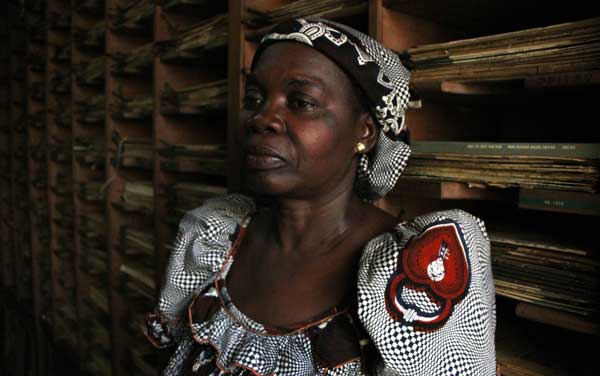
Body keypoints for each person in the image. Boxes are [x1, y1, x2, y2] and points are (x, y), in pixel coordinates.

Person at [145, 17, 497, 376]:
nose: (263, 118)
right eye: (254, 98)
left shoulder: (412, 271)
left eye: (301, 102)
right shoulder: (212, 237)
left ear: (365, 131)